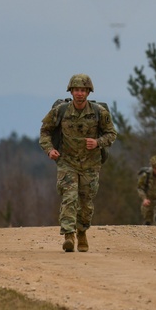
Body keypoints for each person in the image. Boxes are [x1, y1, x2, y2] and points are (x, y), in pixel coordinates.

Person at [39, 73, 117, 252]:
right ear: (71, 91)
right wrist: (50, 150)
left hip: (90, 164)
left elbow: (111, 134)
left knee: (86, 202)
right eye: (76, 90)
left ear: (88, 92)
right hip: (67, 162)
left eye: (83, 90)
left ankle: (82, 232)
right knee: (69, 197)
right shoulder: (61, 111)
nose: (79, 93)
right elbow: (45, 131)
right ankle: (68, 235)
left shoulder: (99, 112)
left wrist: (98, 142)